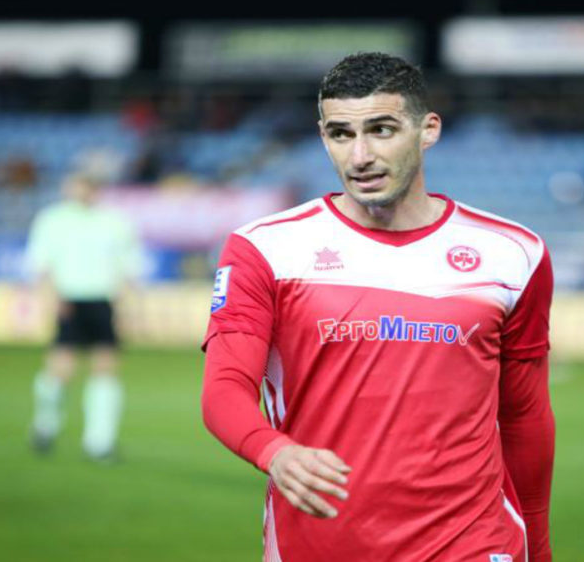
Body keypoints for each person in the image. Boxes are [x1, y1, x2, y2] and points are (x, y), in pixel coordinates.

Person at [201, 53, 555, 561]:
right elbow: (224, 389)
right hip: (319, 544)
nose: (360, 155)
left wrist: (537, 548)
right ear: (323, 136)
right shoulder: (265, 249)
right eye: (340, 134)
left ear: (428, 129)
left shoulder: (513, 253)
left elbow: (525, 417)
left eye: (381, 130)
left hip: (473, 543)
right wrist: (274, 451)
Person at [26, 173, 144, 463]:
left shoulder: (114, 221)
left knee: (106, 368)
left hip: (103, 300)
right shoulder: (52, 219)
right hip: (69, 299)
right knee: (61, 369)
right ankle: (46, 423)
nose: (81, 192)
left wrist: (128, 306)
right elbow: (41, 264)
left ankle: (99, 441)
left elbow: (128, 266)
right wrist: (50, 298)